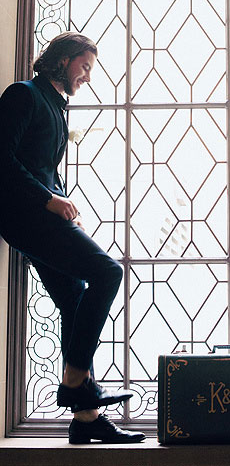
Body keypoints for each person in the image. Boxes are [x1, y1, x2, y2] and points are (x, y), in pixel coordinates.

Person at [0, 32, 145, 444]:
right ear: (62, 61)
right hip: (25, 218)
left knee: (74, 298)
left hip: (41, 215)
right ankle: (77, 379)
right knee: (108, 272)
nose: (88, 77)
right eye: (84, 66)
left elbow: (41, 165)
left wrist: (61, 201)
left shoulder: (53, 106)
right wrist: (49, 200)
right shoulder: (22, 95)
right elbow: (1, 159)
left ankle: (85, 420)